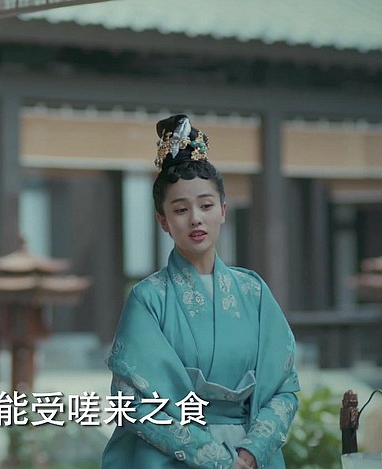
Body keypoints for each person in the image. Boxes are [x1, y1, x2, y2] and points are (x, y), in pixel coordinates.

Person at [101, 115, 300, 469]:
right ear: (163, 220)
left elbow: (283, 388)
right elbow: (132, 400)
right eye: (180, 209)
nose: (195, 218)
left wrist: (252, 452)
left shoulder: (253, 292)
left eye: (206, 206)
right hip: (175, 458)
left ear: (223, 211)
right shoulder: (149, 299)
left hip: (252, 457)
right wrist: (214, 459)